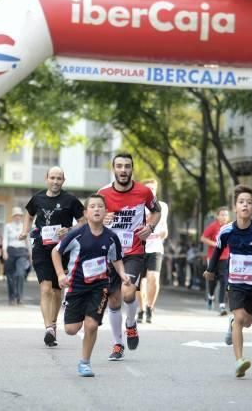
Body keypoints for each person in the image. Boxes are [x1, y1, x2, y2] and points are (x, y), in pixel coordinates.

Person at [204, 185, 252, 378]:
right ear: (235, 207)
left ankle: (232, 323)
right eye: (241, 202)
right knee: (239, 319)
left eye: (248, 202)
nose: (245, 205)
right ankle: (239, 361)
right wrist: (210, 270)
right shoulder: (226, 230)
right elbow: (218, 250)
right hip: (235, 282)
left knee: (247, 322)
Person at [53, 194, 130, 377]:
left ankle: (85, 362)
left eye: (100, 207)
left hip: (100, 286)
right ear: (86, 213)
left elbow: (117, 259)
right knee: (71, 330)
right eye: (93, 207)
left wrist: (122, 273)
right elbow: (56, 253)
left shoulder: (111, 237)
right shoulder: (77, 234)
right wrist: (60, 274)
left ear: (105, 212)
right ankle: (75, 317)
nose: (97, 209)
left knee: (92, 325)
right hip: (76, 287)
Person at [97, 153, 161, 361]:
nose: (123, 170)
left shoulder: (143, 191)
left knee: (127, 292)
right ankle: (117, 344)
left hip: (133, 251)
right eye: (119, 166)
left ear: (132, 168)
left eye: (127, 166)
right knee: (113, 301)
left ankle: (131, 324)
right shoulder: (103, 193)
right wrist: (101, 218)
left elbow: (156, 211)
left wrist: (150, 226)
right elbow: (91, 218)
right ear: (113, 169)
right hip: (110, 253)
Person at [21, 166, 85, 347]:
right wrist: (25, 230)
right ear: (46, 178)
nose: (55, 181)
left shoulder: (71, 200)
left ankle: (54, 323)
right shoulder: (38, 198)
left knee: (57, 291)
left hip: (62, 249)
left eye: (59, 178)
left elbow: (83, 222)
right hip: (41, 248)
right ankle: (48, 327)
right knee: (46, 289)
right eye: (52, 178)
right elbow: (29, 214)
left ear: (63, 180)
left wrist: (69, 230)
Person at [137, 179, 168, 324]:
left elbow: (164, 228)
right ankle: (141, 309)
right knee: (139, 283)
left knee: (153, 278)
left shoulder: (162, 206)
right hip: (139, 248)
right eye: (148, 188)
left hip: (156, 248)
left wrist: (164, 234)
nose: (151, 191)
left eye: (153, 189)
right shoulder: (137, 207)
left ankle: (150, 307)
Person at [201, 206, 231, 315]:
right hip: (213, 257)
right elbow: (203, 238)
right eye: (222, 214)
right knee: (212, 280)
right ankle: (210, 296)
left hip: (225, 257)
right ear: (217, 216)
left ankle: (222, 305)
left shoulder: (230, 228)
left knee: (224, 281)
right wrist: (214, 244)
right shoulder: (213, 226)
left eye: (226, 215)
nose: (224, 217)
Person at [2, 207, 29, 305]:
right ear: (13, 216)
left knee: (20, 274)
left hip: (22, 251)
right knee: (10, 276)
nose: (18, 217)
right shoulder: (8, 226)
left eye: (19, 215)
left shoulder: (24, 226)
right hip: (10, 251)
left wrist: (30, 253)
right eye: (16, 215)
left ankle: (20, 297)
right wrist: (4, 251)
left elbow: (27, 241)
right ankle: (12, 297)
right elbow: (5, 239)